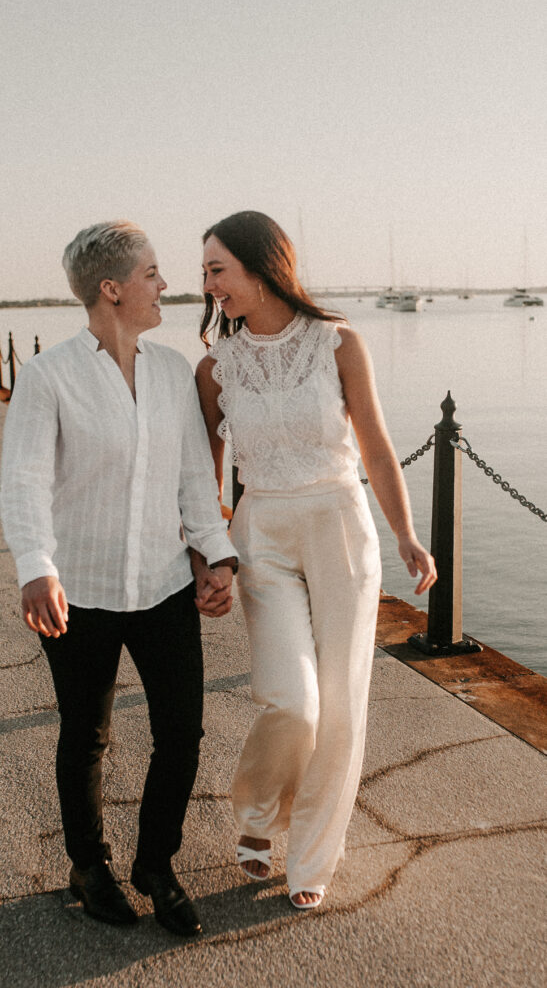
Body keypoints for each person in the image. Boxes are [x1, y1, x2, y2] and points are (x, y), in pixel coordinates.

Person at [0, 221, 237, 937]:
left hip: (164, 585)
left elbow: (197, 480)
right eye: (152, 273)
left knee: (183, 733)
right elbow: (24, 482)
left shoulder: (171, 372)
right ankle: (89, 865)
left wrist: (215, 557)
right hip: (80, 590)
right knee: (87, 732)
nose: (165, 284)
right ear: (112, 288)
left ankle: (156, 866)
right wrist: (36, 568)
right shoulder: (48, 377)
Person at [195, 211, 436, 910]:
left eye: (217, 269)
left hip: (339, 525)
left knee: (340, 708)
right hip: (260, 530)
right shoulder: (214, 367)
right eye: (206, 272)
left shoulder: (338, 344)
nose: (208, 284)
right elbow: (204, 481)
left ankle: (309, 857)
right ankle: (257, 815)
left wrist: (406, 535)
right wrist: (208, 559)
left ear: (261, 266)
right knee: (293, 703)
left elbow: (376, 448)